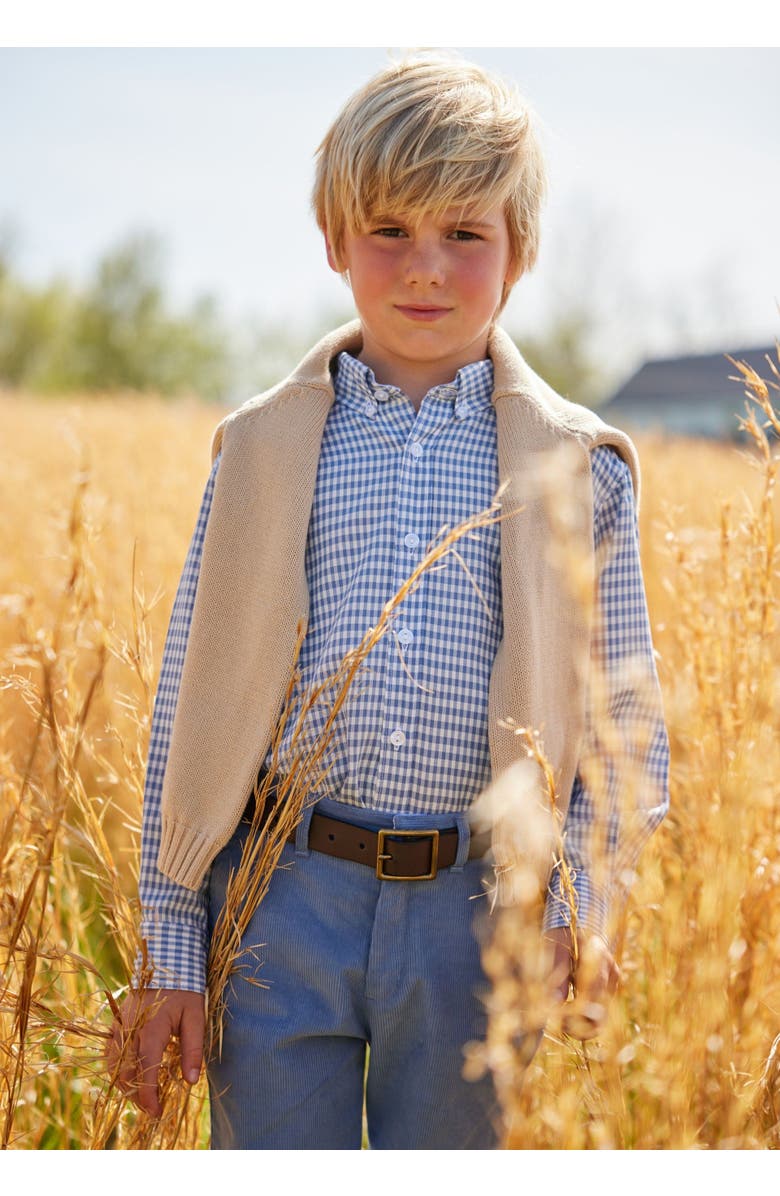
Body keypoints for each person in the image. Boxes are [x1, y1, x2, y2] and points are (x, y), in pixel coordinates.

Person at [106, 52, 669, 1149]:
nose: (426, 268)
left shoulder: (575, 465)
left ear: (520, 252)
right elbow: (193, 695)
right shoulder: (264, 446)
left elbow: (619, 724)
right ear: (333, 242)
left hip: (477, 913)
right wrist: (172, 934)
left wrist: (579, 906)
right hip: (280, 897)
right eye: (389, 231)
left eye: (466, 233)